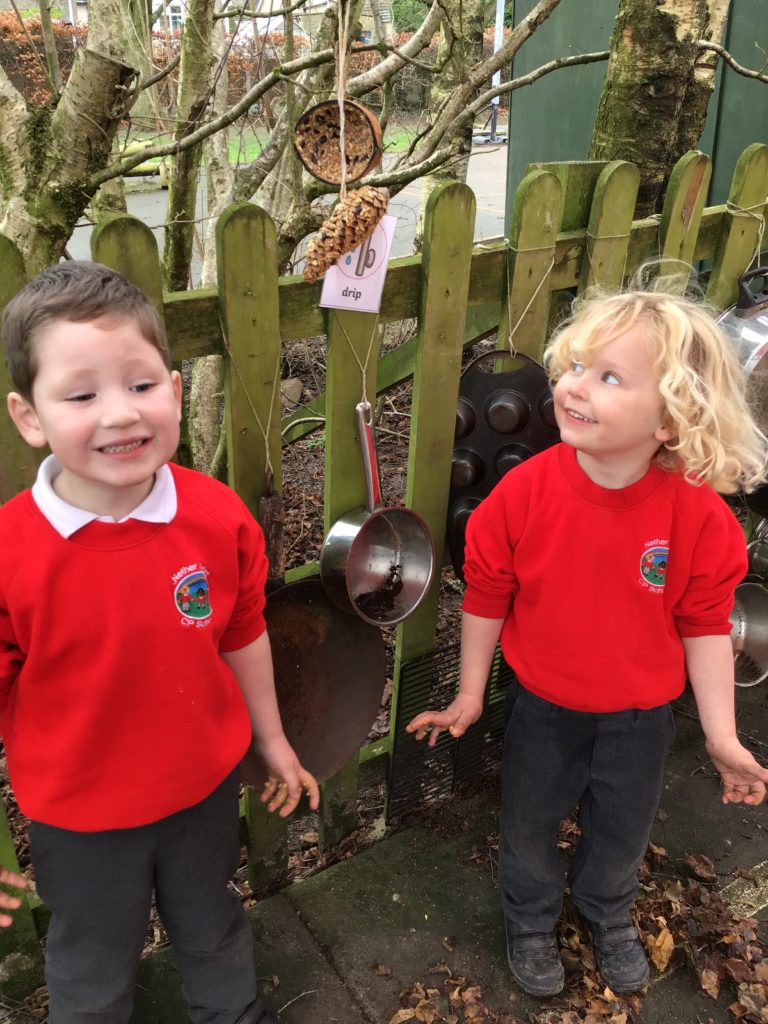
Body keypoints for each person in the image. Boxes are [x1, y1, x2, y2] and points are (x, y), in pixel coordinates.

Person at [407, 287, 768, 999]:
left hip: (641, 719)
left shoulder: (698, 517)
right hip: (543, 708)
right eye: (575, 365)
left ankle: (607, 914)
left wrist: (723, 735)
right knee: (530, 824)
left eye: (609, 376)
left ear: (670, 419)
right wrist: (472, 692)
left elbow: (705, 624)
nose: (572, 386)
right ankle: (532, 919)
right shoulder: (522, 495)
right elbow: (486, 593)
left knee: (621, 833)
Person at [0, 262, 320, 1024]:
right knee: (93, 960)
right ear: (30, 417)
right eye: (82, 395)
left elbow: (243, 630)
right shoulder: (10, 550)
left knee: (211, 924)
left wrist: (271, 739)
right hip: (79, 817)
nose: (120, 415)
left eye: (141, 385)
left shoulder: (216, 516)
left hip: (201, 791)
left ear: (176, 391)